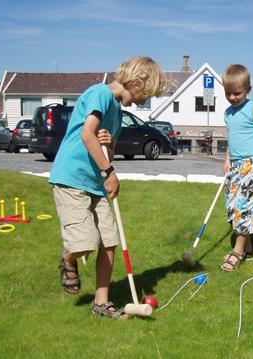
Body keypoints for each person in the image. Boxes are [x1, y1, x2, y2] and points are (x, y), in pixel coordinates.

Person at [49, 56, 166, 317]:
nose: (142, 101)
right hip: (71, 178)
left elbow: (108, 151)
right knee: (85, 243)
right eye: (144, 95)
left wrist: (109, 146)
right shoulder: (100, 93)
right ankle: (69, 258)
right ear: (135, 82)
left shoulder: (118, 112)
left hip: (95, 182)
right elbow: (86, 134)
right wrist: (109, 172)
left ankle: (100, 303)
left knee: (110, 240)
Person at [220, 64, 253, 271]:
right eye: (228, 93)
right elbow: (232, 139)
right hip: (235, 165)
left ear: (248, 89)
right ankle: (249, 248)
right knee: (232, 207)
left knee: (243, 209)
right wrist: (227, 159)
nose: (232, 97)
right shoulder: (227, 113)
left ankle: (238, 252)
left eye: (237, 93)